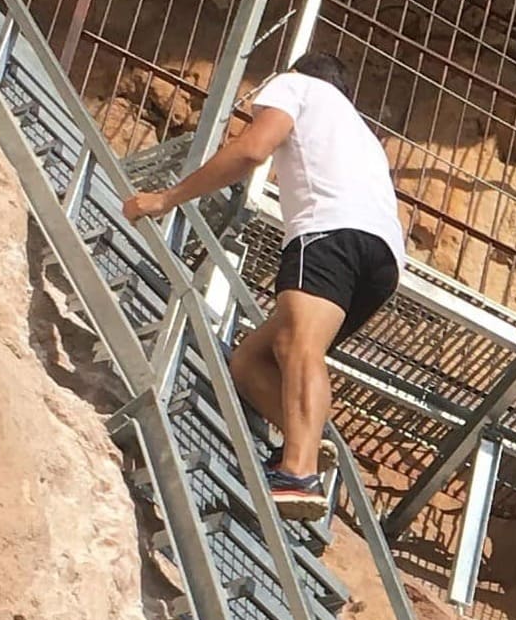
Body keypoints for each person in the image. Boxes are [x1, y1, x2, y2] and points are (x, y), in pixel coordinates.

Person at [122, 49, 406, 521]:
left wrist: (167, 198)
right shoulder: (362, 133)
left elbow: (253, 149)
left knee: (300, 348)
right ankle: (307, 443)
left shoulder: (295, 86)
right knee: (251, 359)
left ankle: (297, 472)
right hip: (383, 260)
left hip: (327, 233)